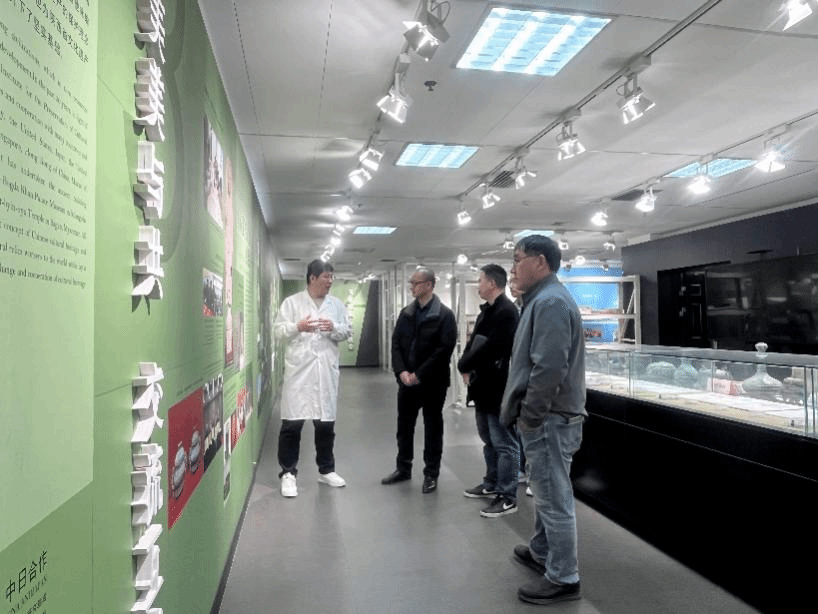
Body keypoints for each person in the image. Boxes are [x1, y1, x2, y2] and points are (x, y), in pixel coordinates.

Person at [500, 235, 587, 605]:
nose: (513, 268)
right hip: (547, 418)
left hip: (549, 419)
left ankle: (564, 576)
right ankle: (541, 551)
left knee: (553, 498)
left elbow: (549, 367)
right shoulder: (540, 299)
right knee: (546, 488)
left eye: (517, 259)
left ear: (539, 261)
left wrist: (531, 417)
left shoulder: (550, 302)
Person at [274, 259, 351, 497]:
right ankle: (288, 473)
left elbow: (347, 331)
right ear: (312, 278)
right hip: (299, 373)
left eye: (331, 277)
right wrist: (297, 326)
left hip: (325, 372)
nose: (330, 281)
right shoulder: (292, 303)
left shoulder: (336, 305)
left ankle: (326, 470)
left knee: (325, 425)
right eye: (326, 276)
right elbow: (277, 331)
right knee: (292, 424)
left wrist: (333, 327)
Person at [382, 267, 457, 493]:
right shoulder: (406, 313)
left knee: (433, 428)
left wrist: (419, 374)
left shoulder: (444, 315)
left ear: (429, 285)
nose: (411, 287)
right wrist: (401, 372)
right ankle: (403, 468)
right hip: (407, 382)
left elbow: (443, 350)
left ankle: (431, 473)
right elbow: (396, 344)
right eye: (411, 283)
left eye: (415, 283)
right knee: (404, 427)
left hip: (433, 383)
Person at [457, 264, 520, 517]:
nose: (478, 284)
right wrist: (465, 363)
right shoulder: (488, 311)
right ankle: (492, 483)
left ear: (492, 283)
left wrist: (465, 364)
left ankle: (508, 495)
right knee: (488, 439)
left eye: (481, 280)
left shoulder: (506, 312)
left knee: (504, 442)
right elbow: (474, 342)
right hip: (483, 387)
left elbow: (491, 348)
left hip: (499, 388)